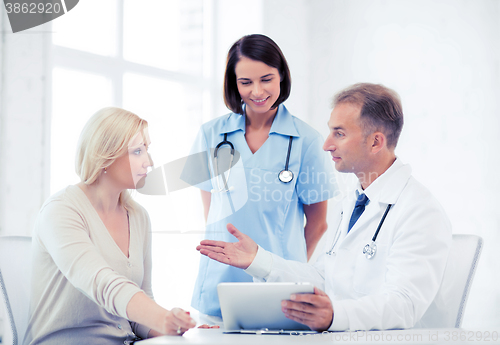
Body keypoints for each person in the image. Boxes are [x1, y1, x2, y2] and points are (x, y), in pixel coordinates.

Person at [196, 83, 453, 331]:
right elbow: (325, 277)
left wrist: (335, 315)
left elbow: (405, 304)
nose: (326, 144)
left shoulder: (420, 210)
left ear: (376, 142)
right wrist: (258, 260)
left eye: (339, 133)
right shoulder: (353, 201)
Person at [187, 34, 336, 320]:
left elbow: (318, 224)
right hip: (218, 283)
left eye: (266, 79)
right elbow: (212, 214)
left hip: (277, 290)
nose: (257, 91)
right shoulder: (210, 134)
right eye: (245, 82)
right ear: (234, 84)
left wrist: (283, 270)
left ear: (282, 76)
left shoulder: (307, 141)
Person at [24, 108, 197, 345]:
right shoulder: (61, 210)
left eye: (147, 150)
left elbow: (139, 310)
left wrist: (172, 328)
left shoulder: (138, 216)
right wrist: (161, 317)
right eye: (137, 151)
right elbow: (102, 283)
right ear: (104, 156)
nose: (149, 162)